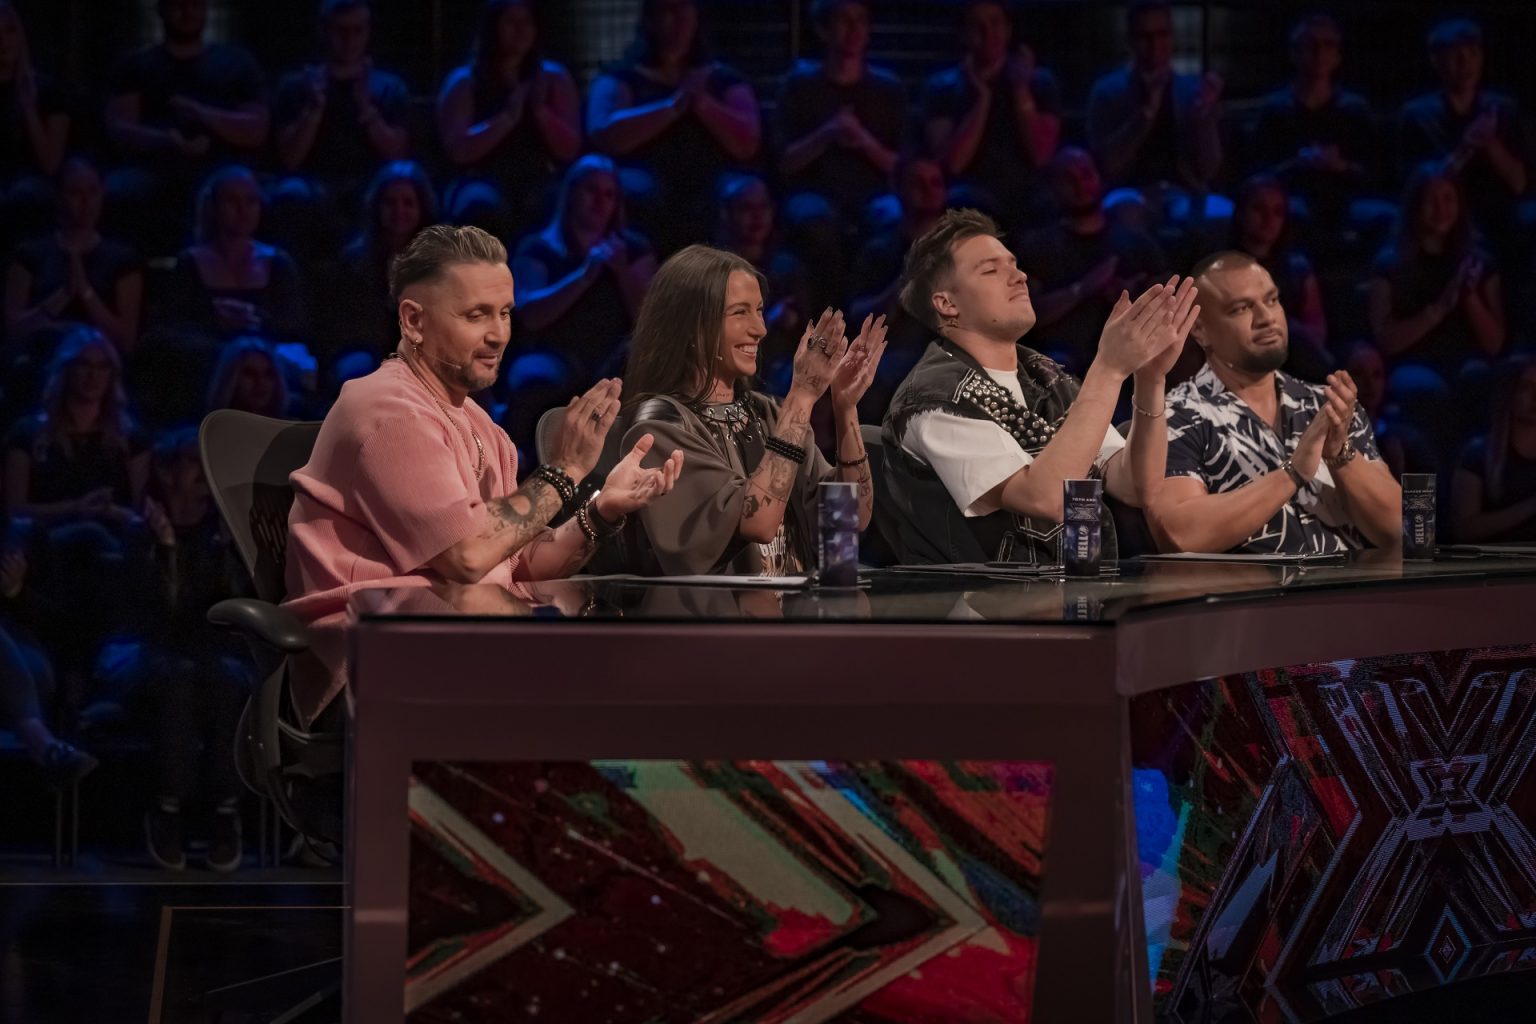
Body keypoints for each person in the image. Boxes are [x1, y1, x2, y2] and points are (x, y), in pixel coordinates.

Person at [284, 225, 682, 726]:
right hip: (369, 672)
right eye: (476, 315)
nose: (499, 335)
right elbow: (468, 556)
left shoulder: (480, 424)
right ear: (413, 320)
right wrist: (565, 470)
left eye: (505, 313)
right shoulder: (387, 411)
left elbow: (515, 562)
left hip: (459, 652)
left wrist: (602, 510)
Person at [881, 208, 1195, 565]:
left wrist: (1150, 378)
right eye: (991, 270)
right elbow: (1046, 499)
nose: (1019, 276)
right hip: (981, 598)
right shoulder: (933, 400)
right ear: (947, 303)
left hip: (1073, 590)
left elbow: (1136, 486)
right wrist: (1108, 369)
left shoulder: (1045, 377)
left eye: (1013, 264)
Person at [621, 244, 887, 575]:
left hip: (795, 604)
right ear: (692, 327)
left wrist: (845, 407)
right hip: (715, 608)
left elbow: (848, 523)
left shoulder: (769, 413)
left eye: (759, 310)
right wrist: (802, 395)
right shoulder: (660, 428)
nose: (760, 329)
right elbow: (756, 522)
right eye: (740, 312)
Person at [1145, 251, 1400, 555]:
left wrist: (1339, 454)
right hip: (1249, 587)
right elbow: (1179, 535)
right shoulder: (1175, 416)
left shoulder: (1328, 405)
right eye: (1241, 308)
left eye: (1272, 300)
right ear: (1200, 330)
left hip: (1348, 585)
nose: (1267, 318)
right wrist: (1292, 473)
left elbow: (1399, 528)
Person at [98, 429, 253, 871]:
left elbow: (233, 612)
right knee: (180, 676)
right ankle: (167, 809)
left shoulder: (225, 532)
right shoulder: (138, 532)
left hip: (211, 654)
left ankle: (225, 811)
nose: (205, 472)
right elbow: (164, 616)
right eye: (192, 461)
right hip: (146, 650)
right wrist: (166, 551)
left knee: (227, 678)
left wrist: (228, 552)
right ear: (166, 473)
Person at [586, 0, 761, 255]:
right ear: (650, 19)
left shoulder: (723, 79)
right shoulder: (620, 77)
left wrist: (702, 103)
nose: (678, 21)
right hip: (644, 178)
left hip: (710, 179)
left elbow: (748, 143)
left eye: (685, 12)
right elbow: (605, 133)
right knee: (640, 191)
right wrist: (672, 106)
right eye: (669, 11)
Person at [104, 0, 268, 251]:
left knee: (238, 192)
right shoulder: (135, 66)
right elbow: (119, 128)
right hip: (153, 168)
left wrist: (203, 115)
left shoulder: (237, 63)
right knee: (120, 190)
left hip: (221, 167)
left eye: (194, 4)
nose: (187, 12)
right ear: (161, 10)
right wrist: (167, 140)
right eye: (178, 4)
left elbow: (256, 129)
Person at [435, 0, 581, 241]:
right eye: (511, 22)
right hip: (480, 177)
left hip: (539, 177)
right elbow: (458, 150)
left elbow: (570, 150)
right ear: (493, 28)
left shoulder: (554, 78)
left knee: (558, 202)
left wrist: (541, 113)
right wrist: (507, 118)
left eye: (527, 22)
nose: (520, 30)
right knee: (482, 205)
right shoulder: (465, 81)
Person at [1014, 147, 1167, 374]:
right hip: (1065, 360)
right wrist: (1082, 289)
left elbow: (1168, 305)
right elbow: (1030, 315)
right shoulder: (1039, 247)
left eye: (1085, 174)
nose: (1080, 184)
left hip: (1131, 357)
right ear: (1053, 188)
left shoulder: (1136, 243)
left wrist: (1131, 297)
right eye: (1068, 178)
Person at [271, 0, 410, 243]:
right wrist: (313, 109)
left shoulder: (389, 87)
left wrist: (366, 107)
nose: (349, 40)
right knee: (291, 193)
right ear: (324, 31)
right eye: (341, 31)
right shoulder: (297, 86)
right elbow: (289, 158)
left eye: (358, 30)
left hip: (370, 182)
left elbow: (396, 155)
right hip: (313, 183)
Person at [510, 154, 655, 385]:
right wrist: (584, 276)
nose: (600, 201)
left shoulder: (634, 250)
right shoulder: (537, 248)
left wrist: (622, 272)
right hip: (555, 354)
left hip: (615, 355)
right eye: (591, 190)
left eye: (609, 194)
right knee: (532, 374)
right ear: (571, 193)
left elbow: (651, 319)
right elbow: (529, 315)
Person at [920, 0, 1060, 228]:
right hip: (969, 192)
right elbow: (953, 164)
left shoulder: (1038, 82)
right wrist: (982, 99)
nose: (988, 33)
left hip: (1026, 191)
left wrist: (1020, 89)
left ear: (1008, 29)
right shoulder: (942, 87)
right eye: (978, 26)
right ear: (964, 34)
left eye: (995, 23)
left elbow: (1041, 155)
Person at [1397, 18, 1529, 255]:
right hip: (1445, 215)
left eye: (1472, 54)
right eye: (1455, 55)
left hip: (1498, 211)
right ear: (1436, 60)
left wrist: (1491, 145)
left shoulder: (1503, 108)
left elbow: (1519, 184)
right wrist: (1465, 147)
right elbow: (1416, 188)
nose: (1465, 62)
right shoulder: (1416, 114)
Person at [1086, 0, 1224, 229]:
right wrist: (1145, 115)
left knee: (1217, 215)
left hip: (1183, 191)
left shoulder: (1191, 90)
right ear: (1131, 40)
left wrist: (1203, 118)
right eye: (1145, 36)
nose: (1155, 44)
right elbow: (1107, 164)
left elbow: (1209, 168)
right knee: (1127, 219)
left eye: (1162, 34)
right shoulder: (1107, 92)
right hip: (1128, 192)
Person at [1368, 162, 1505, 382]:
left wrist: (1469, 296)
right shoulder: (1390, 264)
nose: (1441, 209)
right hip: (1413, 364)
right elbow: (1386, 341)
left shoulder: (1480, 263)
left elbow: (1494, 345)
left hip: (1466, 364)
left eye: (1448, 199)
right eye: (1431, 200)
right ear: (1415, 206)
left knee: (1477, 376)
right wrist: (1439, 309)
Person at [773, 0, 905, 225]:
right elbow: (783, 162)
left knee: (894, 218)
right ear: (823, 29)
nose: (854, 28)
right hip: (813, 192)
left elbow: (901, 166)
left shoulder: (888, 88)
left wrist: (861, 139)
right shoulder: (798, 86)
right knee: (813, 220)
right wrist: (828, 132)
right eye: (844, 19)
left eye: (860, 20)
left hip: (875, 195)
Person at [3, 157, 144, 362]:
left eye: (93, 191)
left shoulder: (123, 259)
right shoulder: (29, 254)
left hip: (100, 365)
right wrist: (64, 294)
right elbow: (14, 330)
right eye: (75, 193)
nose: (86, 202)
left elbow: (126, 341)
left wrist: (85, 292)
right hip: (41, 360)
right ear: (58, 197)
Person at [1250, 14, 1379, 232]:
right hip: (1291, 198)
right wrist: (1297, 164)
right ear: (1295, 54)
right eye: (1310, 45)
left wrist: (1340, 166)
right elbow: (1258, 173)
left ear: (1337, 56)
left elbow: (1375, 171)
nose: (1319, 53)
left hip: (1347, 200)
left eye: (1328, 45)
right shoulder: (1275, 109)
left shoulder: (1354, 108)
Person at [327, 160, 439, 358]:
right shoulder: (354, 261)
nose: (399, 211)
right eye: (390, 203)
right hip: (368, 351)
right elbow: (347, 325)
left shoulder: (440, 261)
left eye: (408, 203)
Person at [712, 173, 812, 390]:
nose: (757, 217)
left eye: (763, 207)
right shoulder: (712, 272)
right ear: (725, 214)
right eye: (746, 209)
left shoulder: (785, 268)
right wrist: (769, 320)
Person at [1227, 174, 1328, 376]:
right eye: (1259, 209)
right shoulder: (1221, 267)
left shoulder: (1297, 269)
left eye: (1277, 212)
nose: (1268, 219)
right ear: (1240, 213)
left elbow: (1316, 332)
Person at [0, 1, 69, 249]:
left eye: (10, 31)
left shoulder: (47, 90)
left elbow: (50, 163)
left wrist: (28, 109)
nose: (3, 41)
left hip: (32, 179)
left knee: (26, 196)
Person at [1452, 358, 1536, 543]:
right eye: (1526, 387)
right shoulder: (1478, 453)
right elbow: (1463, 529)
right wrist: (1530, 507)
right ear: (1508, 394)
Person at [205, 336, 291, 418]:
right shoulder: (210, 427)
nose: (260, 382)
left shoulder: (290, 427)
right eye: (249, 373)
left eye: (268, 374)